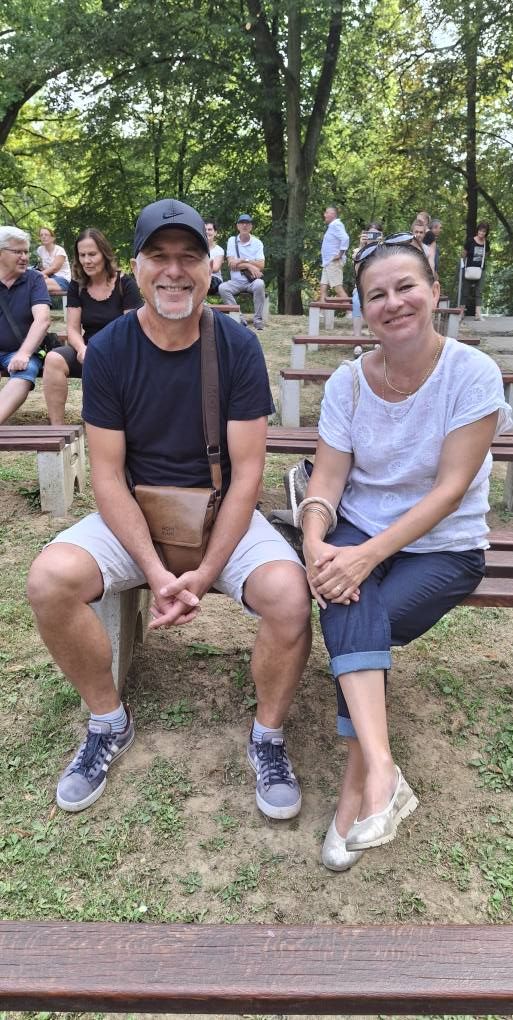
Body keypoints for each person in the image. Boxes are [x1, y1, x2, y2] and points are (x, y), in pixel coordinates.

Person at [27, 198, 310, 819]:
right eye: (159, 256)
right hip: (135, 515)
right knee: (49, 579)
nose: (174, 271)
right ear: (136, 267)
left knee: (290, 597)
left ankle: (267, 736)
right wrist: (156, 573)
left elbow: (248, 476)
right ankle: (107, 721)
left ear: (210, 268)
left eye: (189, 257)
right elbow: (106, 475)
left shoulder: (237, 347)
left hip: (222, 516)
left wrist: (204, 574)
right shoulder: (110, 351)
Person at [299, 233, 511, 872]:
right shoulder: (348, 384)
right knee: (348, 601)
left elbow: (450, 490)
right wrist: (315, 540)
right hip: (356, 530)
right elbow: (327, 481)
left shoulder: (472, 374)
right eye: (376, 295)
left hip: (445, 546)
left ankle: (358, 782)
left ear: (435, 292)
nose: (392, 303)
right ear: (362, 310)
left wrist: (361, 558)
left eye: (405, 287)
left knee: (359, 617)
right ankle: (382, 773)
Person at [42, 228, 143, 424]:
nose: (87, 260)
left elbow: (132, 330)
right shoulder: (77, 285)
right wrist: (82, 349)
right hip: (88, 350)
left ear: (104, 254)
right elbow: (72, 329)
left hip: (120, 352)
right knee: (53, 359)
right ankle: (57, 430)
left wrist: (102, 353)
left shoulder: (125, 284)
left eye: (92, 254)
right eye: (82, 255)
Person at [0, 226, 51, 424]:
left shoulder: (34, 279)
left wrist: (24, 353)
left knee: (25, 369)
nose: (24, 257)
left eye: (26, 252)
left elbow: (43, 319)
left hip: (21, 351)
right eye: (17, 252)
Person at [218, 214, 266, 330]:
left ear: (251, 226)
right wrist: (249, 266)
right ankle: (239, 318)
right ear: (238, 226)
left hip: (252, 281)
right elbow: (231, 264)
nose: (244, 225)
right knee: (223, 288)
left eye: (247, 223)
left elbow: (261, 265)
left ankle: (258, 320)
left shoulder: (257, 243)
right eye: (242, 223)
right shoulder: (232, 240)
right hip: (235, 282)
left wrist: (243, 260)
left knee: (260, 284)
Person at [351, 222, 383, 338]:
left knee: (379, 302)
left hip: (379, 287)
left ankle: (376, 337)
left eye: (376, 235)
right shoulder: (358, 252)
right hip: (362, 288)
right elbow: (356, 272)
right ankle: (357, 339)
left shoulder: (385, 250)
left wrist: (381, 245)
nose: (373, 237)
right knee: (356, 301)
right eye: (370, 234)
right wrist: (361, 247)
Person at [319, 206, 350, 302]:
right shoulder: (332, 226)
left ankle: (349, 309)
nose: (324, 215)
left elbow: (345, 238)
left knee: (337, 288)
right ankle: (322, 308)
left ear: (333, 214)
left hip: (334, 262)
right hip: (328, 262)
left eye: (326, 213)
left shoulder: (336, 224)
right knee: (323, 287)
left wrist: (340, 254)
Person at [463, 221, 490, 320]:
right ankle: (461, 313)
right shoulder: (470, 241)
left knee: (479, 292)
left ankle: (477, 314)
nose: (482, 233)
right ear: (477, 231)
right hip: (468, 268)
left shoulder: (487, 243)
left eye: (484, 231)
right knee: (465, 291)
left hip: (480, 269)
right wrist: (463, 267)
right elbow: (464, 254)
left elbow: (486, 255)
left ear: (486, 233)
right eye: (480, 230)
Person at [36, 227, 72, 294]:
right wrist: (44, 275)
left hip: (62, 279)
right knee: (35, 283)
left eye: (46, 235)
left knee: (37, 283)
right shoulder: (40, 250)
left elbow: (54, 268)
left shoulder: (59, 250)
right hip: (49, 277)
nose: (43, 237)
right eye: (41, 235)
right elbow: (43, 267)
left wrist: (38, 275)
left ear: (53, 238)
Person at [205, 220, 225, 295]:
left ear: (215, 232)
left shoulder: (219, 250)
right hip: (199, 278)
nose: (207, 232)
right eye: (205, 230)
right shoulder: (197, 248)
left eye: (210, 229)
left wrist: (197, 265)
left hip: (215, 280)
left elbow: (215, 268)